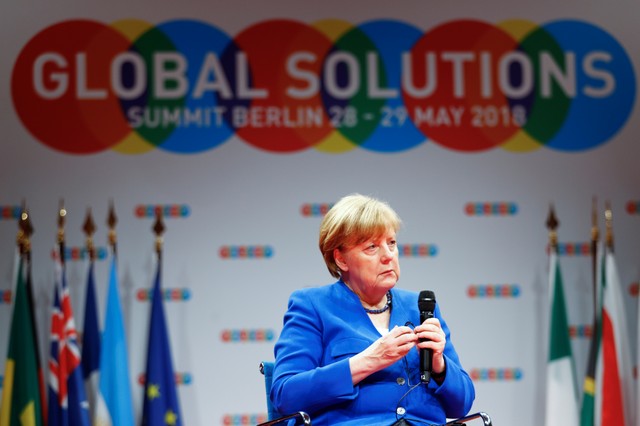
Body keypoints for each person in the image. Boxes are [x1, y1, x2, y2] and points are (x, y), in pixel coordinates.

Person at [270, 194, 475, 425]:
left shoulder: (421, 307)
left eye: (392, 243)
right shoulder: (313, 305)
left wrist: (439, 365)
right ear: (341, 259)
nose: (388, 256)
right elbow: (285, 395)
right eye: (372, 247)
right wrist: (369, 361)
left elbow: (463, 404)